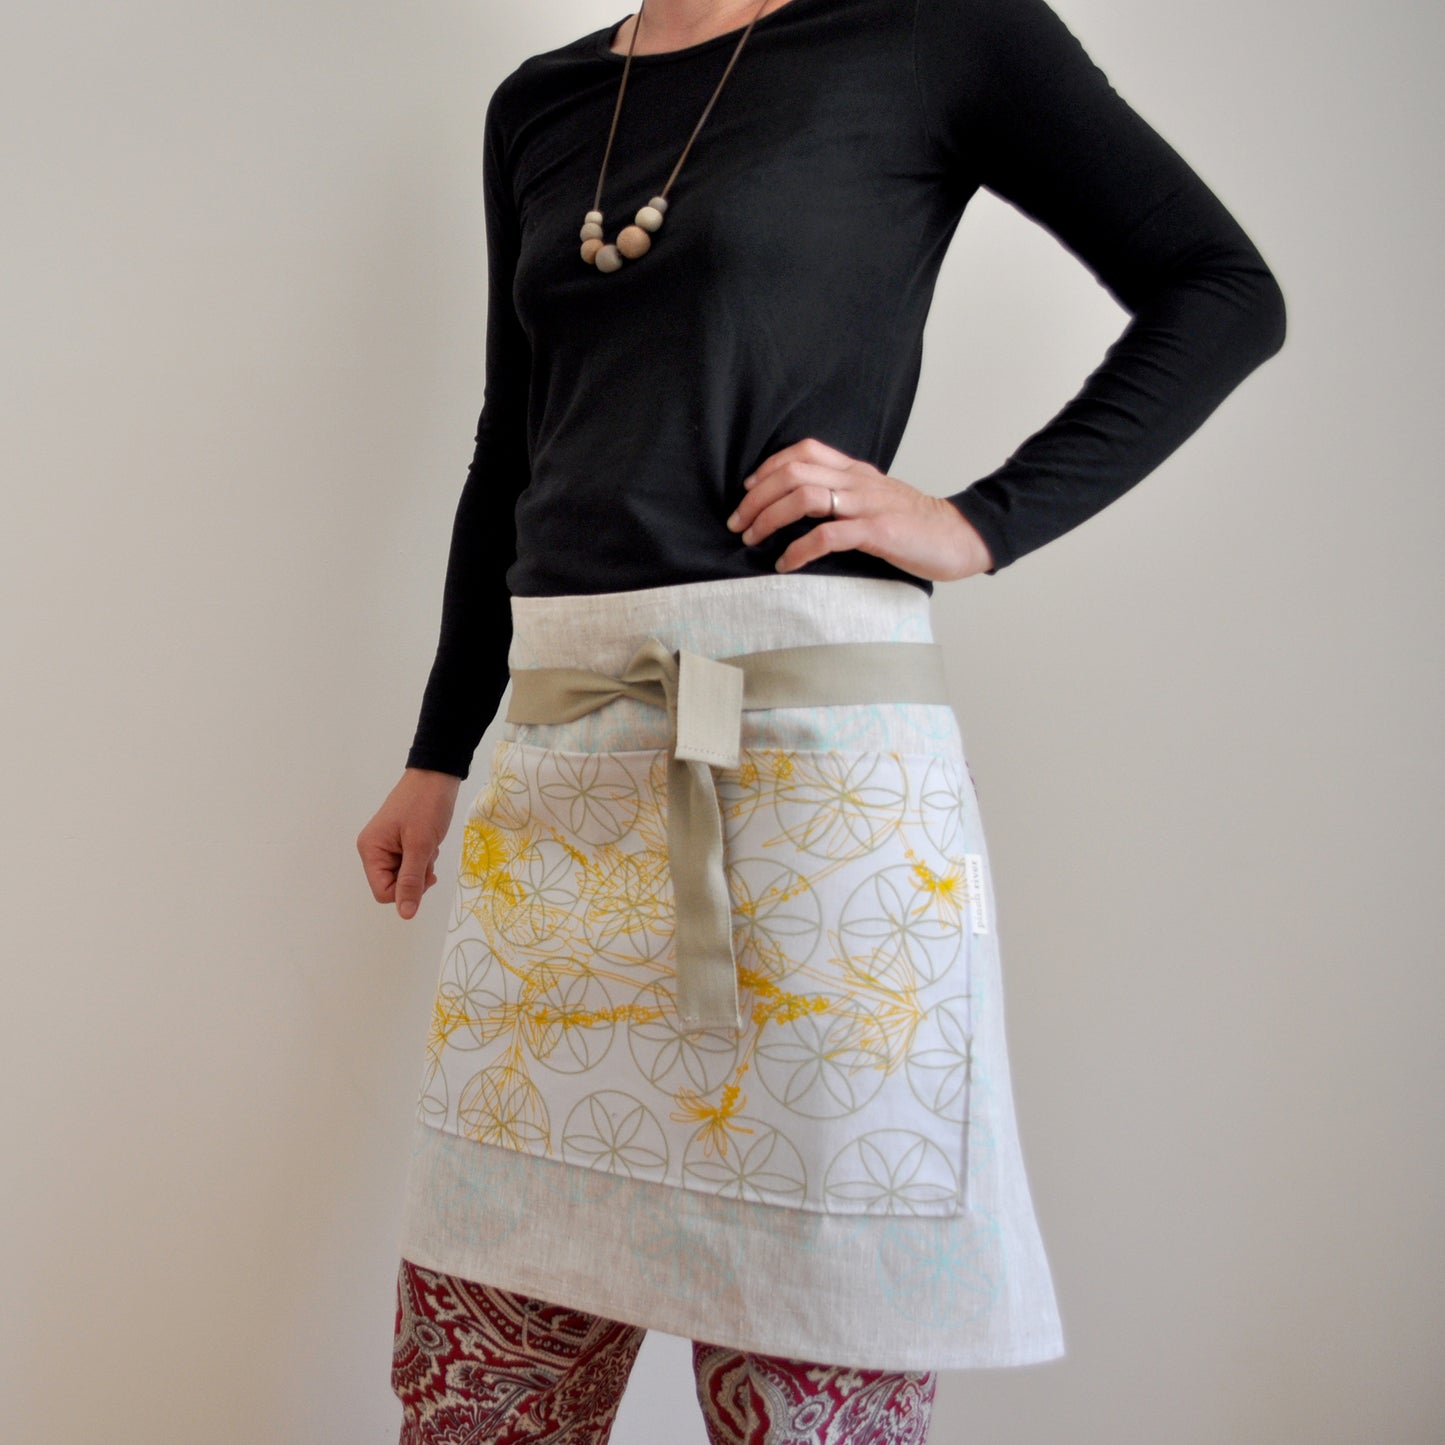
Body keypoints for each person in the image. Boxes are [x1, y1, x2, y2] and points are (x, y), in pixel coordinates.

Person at [357, 0, 1286, 1438]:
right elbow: (514, 435)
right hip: (561, 766)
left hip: (811, 786)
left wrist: (980, 522)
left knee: (812, 1383)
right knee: (486, 1376)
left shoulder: (941, 33)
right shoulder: (539, 102)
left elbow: (1221, 288)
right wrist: (438, 747)